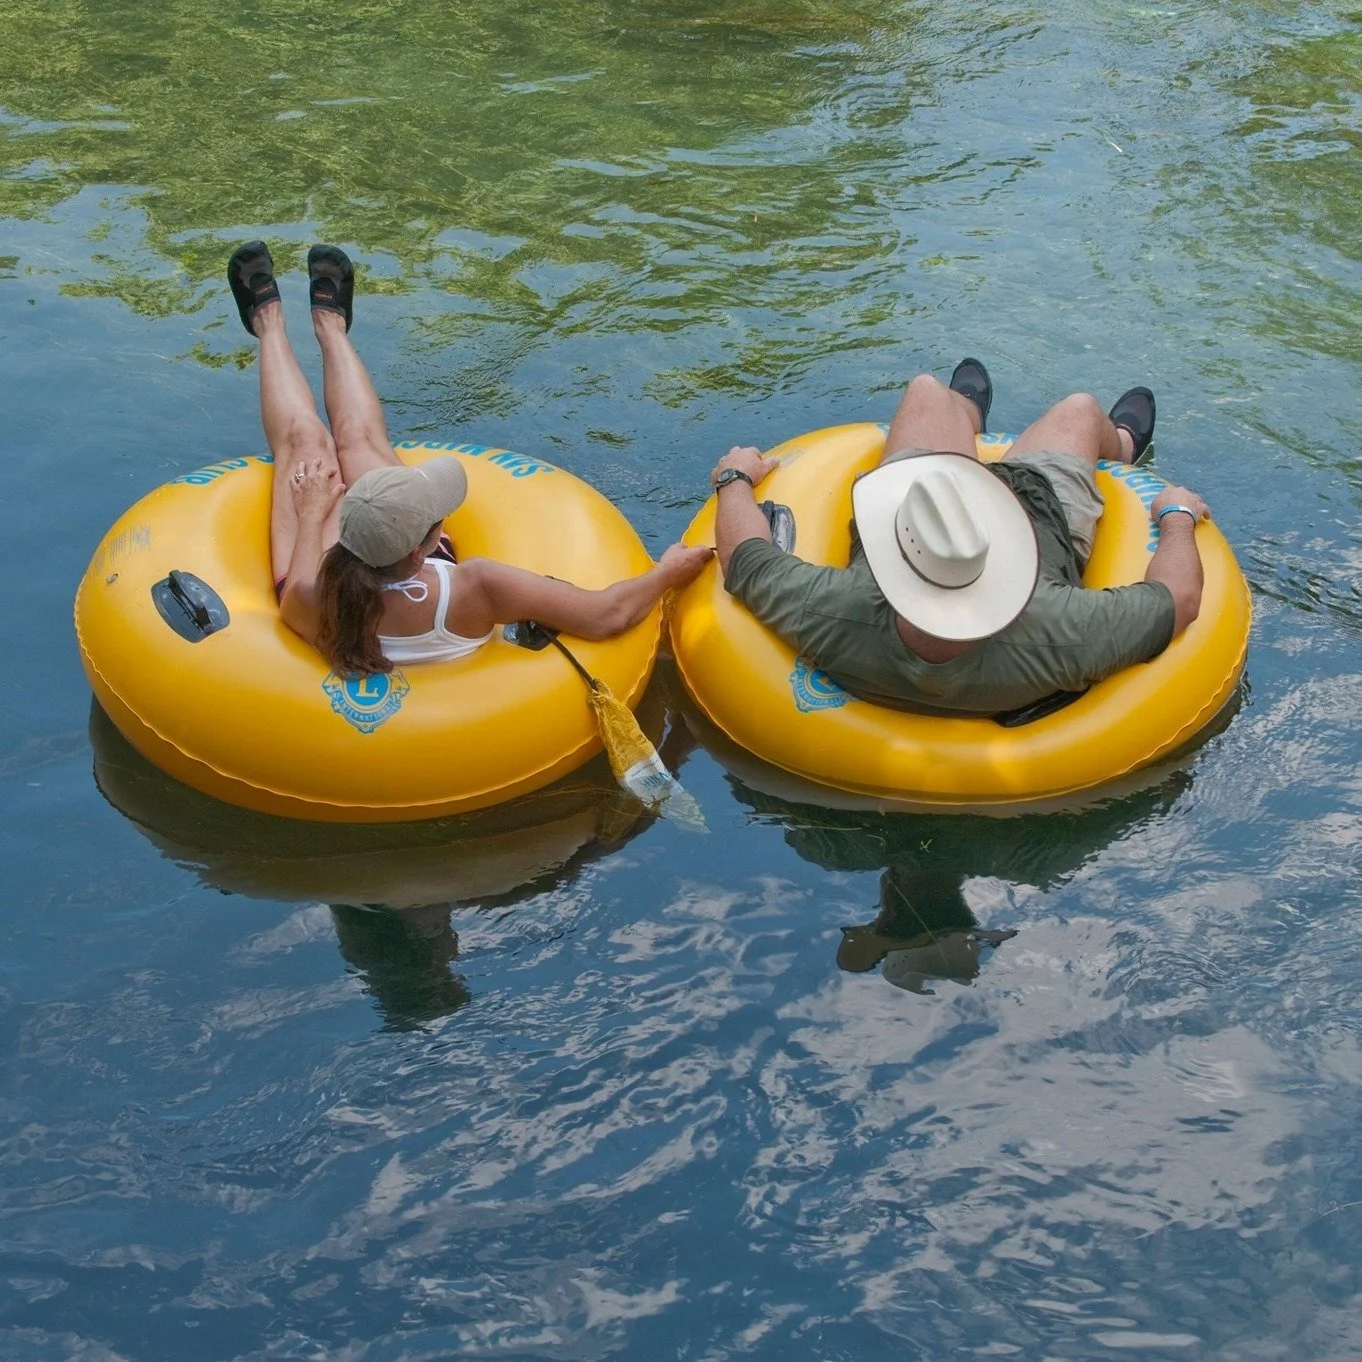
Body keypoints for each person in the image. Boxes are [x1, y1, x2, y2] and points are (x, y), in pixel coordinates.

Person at [227, 241, 711, 676]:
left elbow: (295, 596)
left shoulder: (316, 599)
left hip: (345, 578)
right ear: (426, 549)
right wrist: (667, 572)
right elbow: (608, 616)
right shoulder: (478, 586)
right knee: (360, 440)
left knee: (305, 445)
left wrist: (313, 514)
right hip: (429, 602)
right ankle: (331, 327)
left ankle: (270, 323)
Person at [709, 358, 1210, 716]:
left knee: (926, 389)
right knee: (1077, 410)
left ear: (892, 553)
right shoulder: (1060, 631)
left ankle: (966, 413)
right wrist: (1176, 514)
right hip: (1040, 517)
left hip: (923, 515)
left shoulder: (835, 612)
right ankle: (1120, 444)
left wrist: (734, 478)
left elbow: (743, 559)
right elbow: (1180, 599)